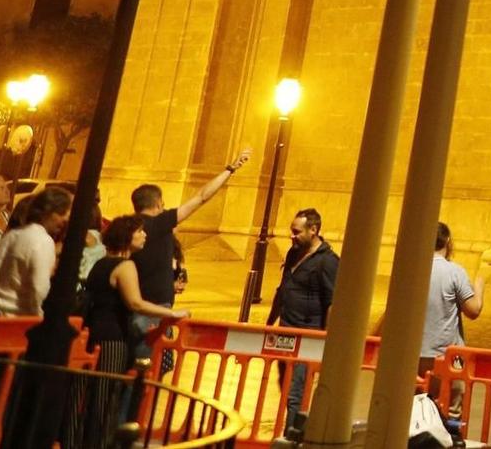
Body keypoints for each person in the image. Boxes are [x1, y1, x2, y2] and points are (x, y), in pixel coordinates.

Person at [78, 214, 187, 437]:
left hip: (94, 333)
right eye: (139, 231)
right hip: (112, 337)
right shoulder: (125, 265)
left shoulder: (101, 263)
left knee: (92, 395)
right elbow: (135, 302)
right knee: (105, 398)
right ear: (127, 236)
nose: (144, 235)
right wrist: (172, 313)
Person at [131, 148, 252, 338]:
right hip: (155, 310)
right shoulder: (162, 222)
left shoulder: (126, 226)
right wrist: (230, 168)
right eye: (163, 204)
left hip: (132, 303)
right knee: (152, 361)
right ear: (157, 204)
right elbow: (202, 197)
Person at [268, 208, 340, 440]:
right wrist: (270, 323)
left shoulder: (327, 262)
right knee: (286, 385)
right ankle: (295, 432)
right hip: (285, 331)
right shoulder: (294, 253)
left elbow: (332, 302)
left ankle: (291, 438)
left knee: (296, 391)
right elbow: (282, 290)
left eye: (297, 232)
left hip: (307, 336)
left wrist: (326, 337)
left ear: (314, 230)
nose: (292, 235)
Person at [0, 185, 72, 316]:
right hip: (12, 317)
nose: (66, 218)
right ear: (46, 212)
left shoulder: (13, 235)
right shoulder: (42, 241)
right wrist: (39, 317)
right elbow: (39, 288)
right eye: (61, 213)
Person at [422, 223, 483, 391]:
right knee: (450, 409)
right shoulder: (455, 272)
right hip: (447, 356)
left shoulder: (414, 268)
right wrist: (478, 288)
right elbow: (473, 310)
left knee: (415, 410)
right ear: (448, 241)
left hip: (413, 356)